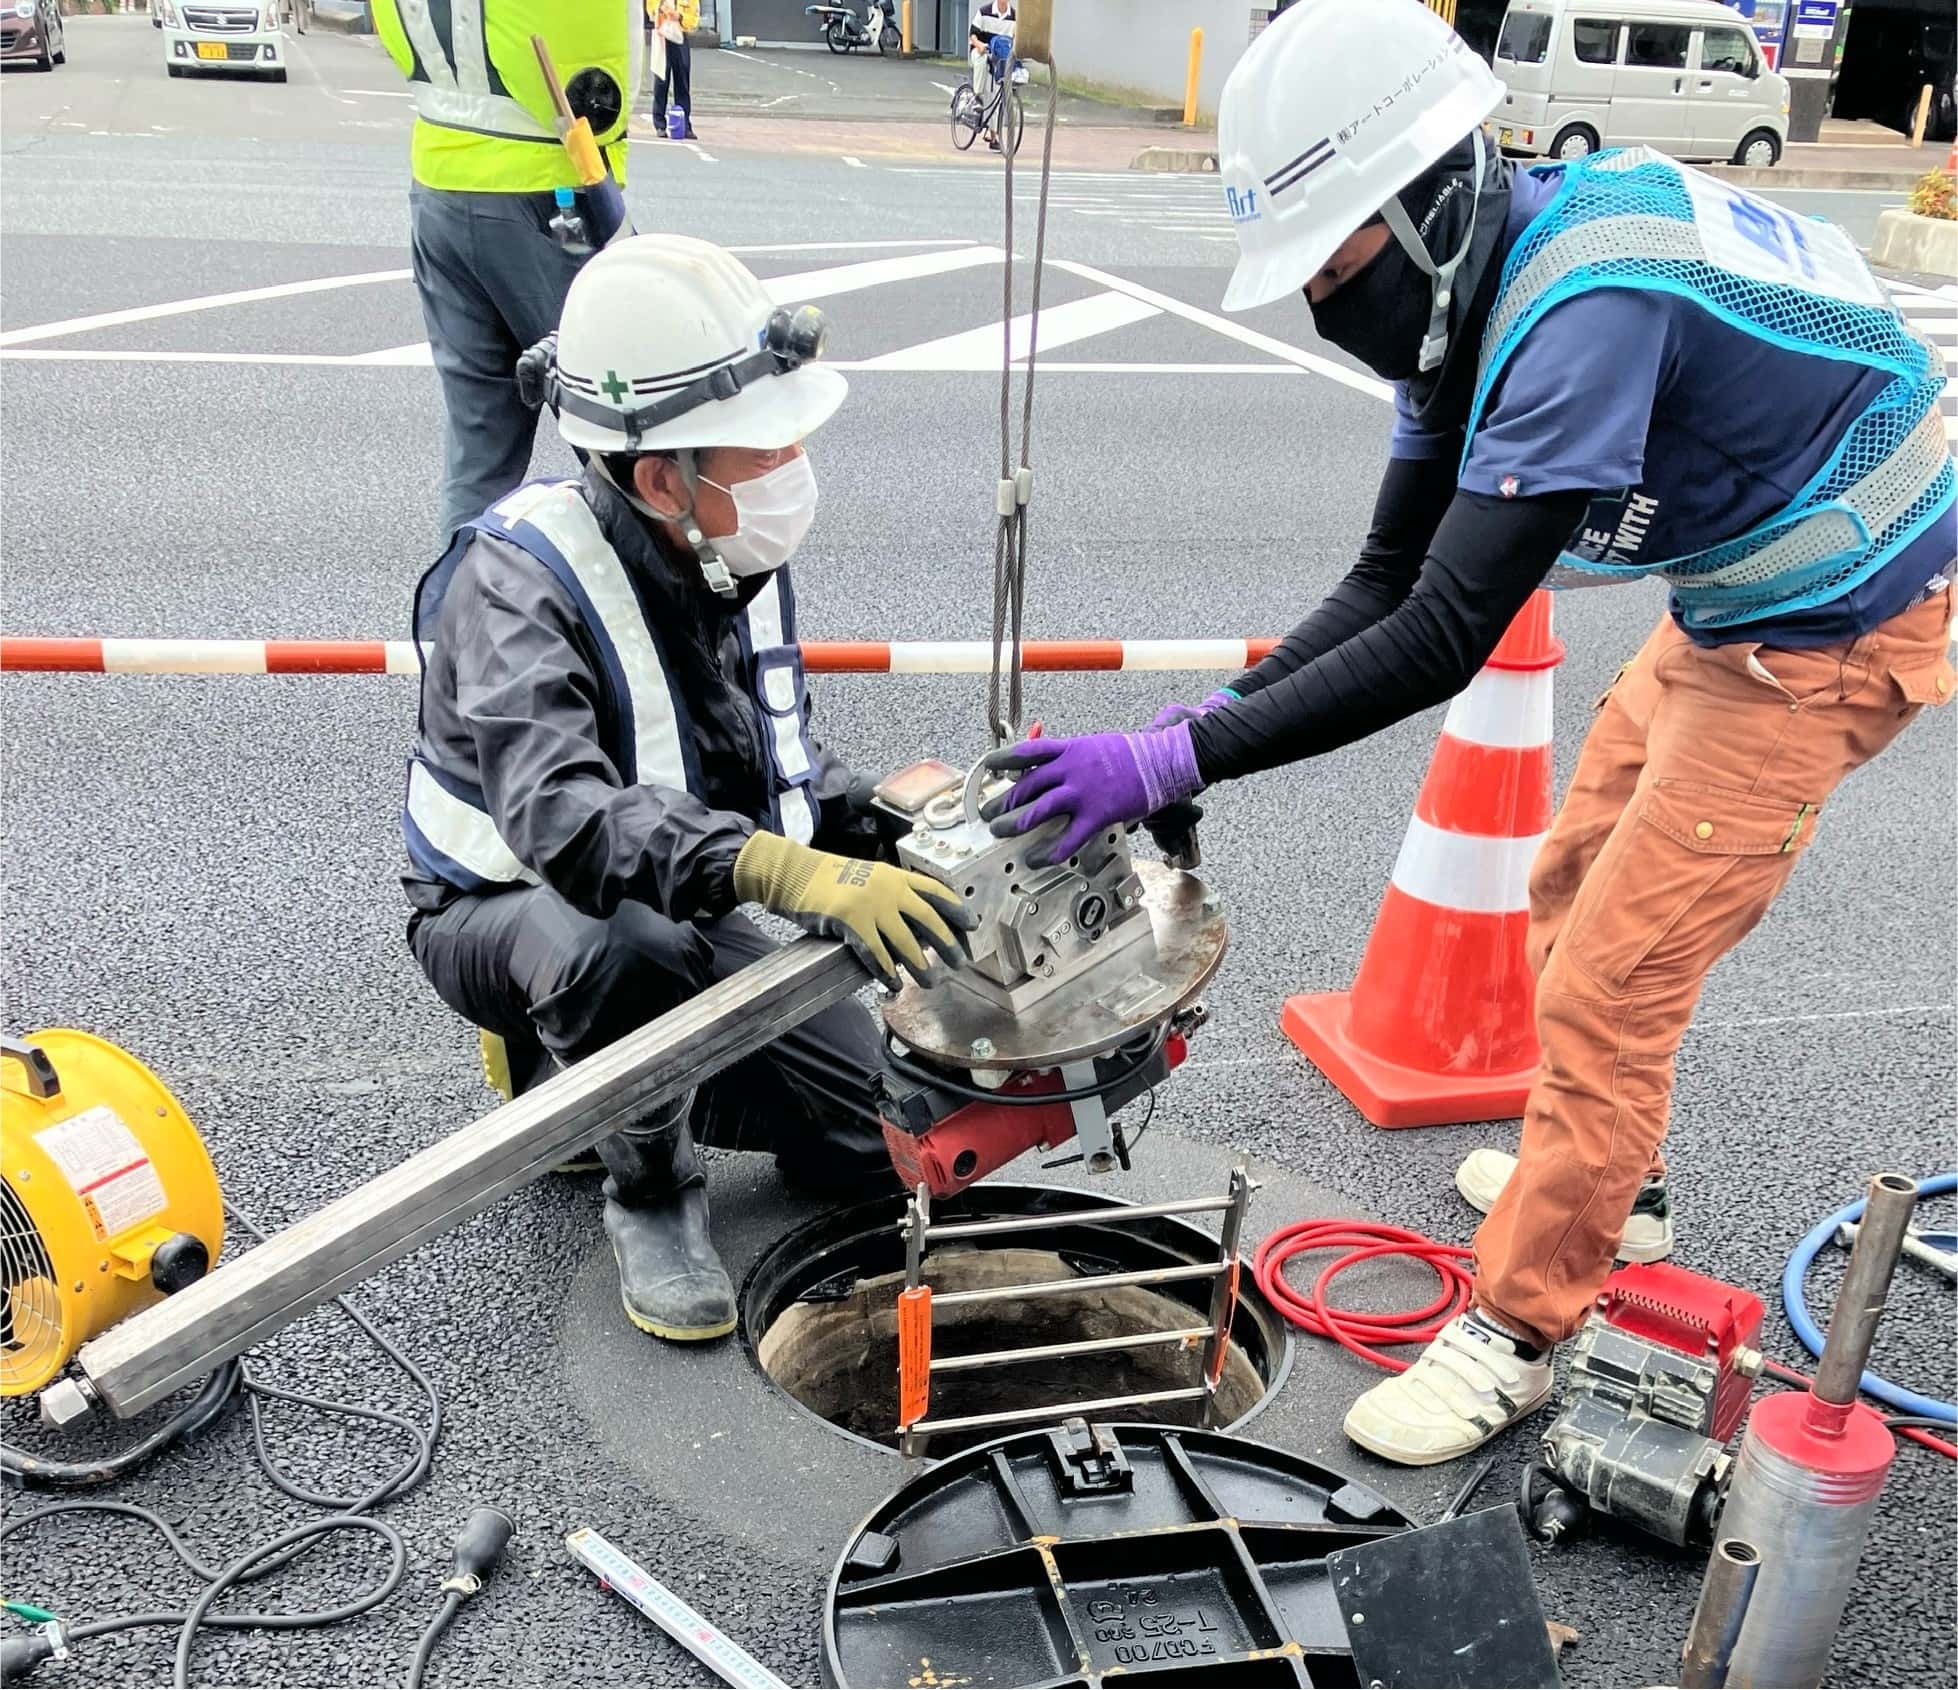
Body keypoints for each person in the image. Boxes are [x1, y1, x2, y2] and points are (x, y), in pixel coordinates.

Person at [986, 0, 1955, 1465]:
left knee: (1612, 989)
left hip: (1829, 628)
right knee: (1563, 884)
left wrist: (1181, 761)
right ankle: (1615, 1188)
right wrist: (1191, 728)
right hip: (1729, 598)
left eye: (1333, 257)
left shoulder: (1582, 308)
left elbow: (1441, 633)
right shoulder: (1467, 302)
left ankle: (1516, 1327)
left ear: (1431, 194)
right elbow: (1380, 579)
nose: (1323, 297)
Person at [401, 236, 975, 1344]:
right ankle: (649, 1186)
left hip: (677, 901)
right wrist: (782, 870)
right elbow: (561, 819)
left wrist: (885, 825)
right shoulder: (514, 583)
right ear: (662, 472)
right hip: (505, 917)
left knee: (890, 1144)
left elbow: (750, 776)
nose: (795, 462)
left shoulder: (728, 553)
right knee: (618, 949)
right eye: (768, 445)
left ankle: (602, 1073)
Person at [371, 1, 636, 543]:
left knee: (480, 456)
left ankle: (462, 616)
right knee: (624, 439)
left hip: (442, 176)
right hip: (549, 180)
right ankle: (650, 622)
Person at [969, 0, 1015, 149]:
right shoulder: (984, 11)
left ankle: (994, 135)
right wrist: (979, 45)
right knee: (981, 61)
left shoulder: (1014, 17)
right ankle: (977, 97)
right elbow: (973, 35)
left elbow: (1015, 40)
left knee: (996, 92)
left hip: (999, 57)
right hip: (981, 51)